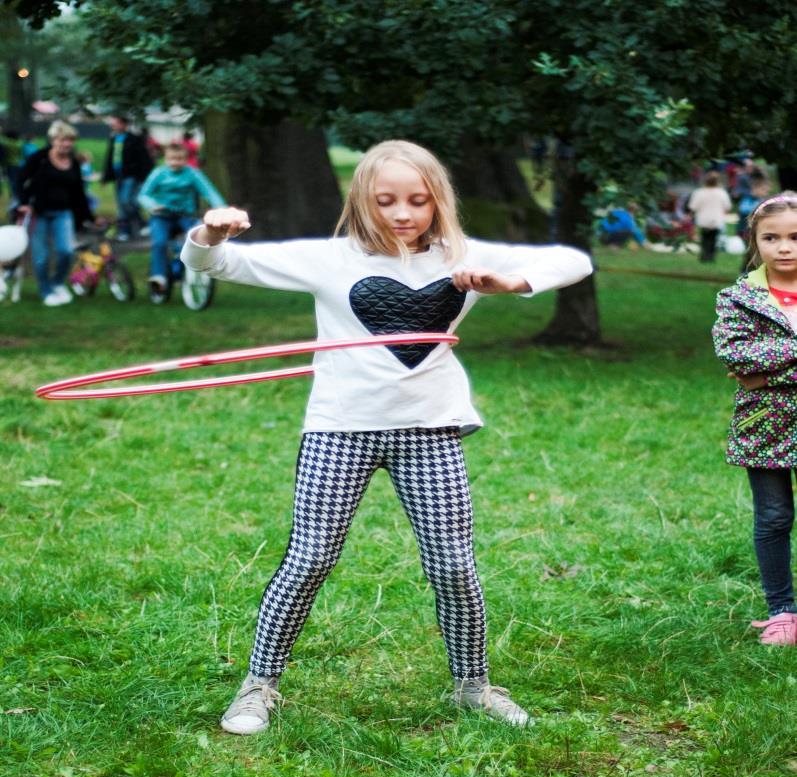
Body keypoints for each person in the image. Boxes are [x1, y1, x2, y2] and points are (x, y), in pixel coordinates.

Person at [180, 139, 593, 735]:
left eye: (419, 201)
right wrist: (212, 233)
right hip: (339, 430)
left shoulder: (463, 257)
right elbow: (210, 265)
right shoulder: (332, 259)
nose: (403, 213)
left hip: (428, 431)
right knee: (310, 558)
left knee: (452, 564)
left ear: (438, 202)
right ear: (362, 201)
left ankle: (473, 686)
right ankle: (258, 685)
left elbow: (572, 259)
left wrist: (509, 282)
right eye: (387, 200)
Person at [712, 192, 797, 646]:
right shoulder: (738, 297)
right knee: (773, 516)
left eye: (795, 237)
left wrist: (769, 371)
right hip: (765, 425)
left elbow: (755, 366)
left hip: (768, 398)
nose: (784, 247)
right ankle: (782, 612)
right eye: (772, 237)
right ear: (755, 241)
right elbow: (735, 353)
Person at [17, 120, 94, 306]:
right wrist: (23, 203)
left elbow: (79, 193)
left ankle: (58, 283)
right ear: (53, 139)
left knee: (66, 251)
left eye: (70, 140)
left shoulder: (73, 162)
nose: (66, 144)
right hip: (39, 212)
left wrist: (89, 217)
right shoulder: (39, 158)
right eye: (62, 140)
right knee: (41, 255)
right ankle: (46, 291)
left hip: (64, 213)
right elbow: (20, 181)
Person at [137, 142, 225, 293]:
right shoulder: (158, 173)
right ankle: (159, 277)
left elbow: (209, 191)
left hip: (186, 215)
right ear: (165, 159)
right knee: (159, 243)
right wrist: (153, 206)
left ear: (186, 159)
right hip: (162, 216)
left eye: (179, 159)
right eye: (171, 159)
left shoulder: (193, 174)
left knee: (197, 240)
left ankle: (184, 267)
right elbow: (143, 195)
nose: (175, 162)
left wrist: (221, 209)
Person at [101, 115, 153, 241]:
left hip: (130, 176)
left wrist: (142, 176)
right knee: (121, 205)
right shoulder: (113, 138)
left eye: (117, 122)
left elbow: (144, 159)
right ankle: (125, 231)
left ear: (124, 124)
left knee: (126, 201)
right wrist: (106, 177)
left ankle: (142, 222)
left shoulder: (134, 139)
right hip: (118, 176)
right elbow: (110, 158)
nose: (113, 124)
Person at [689, 171, 732, 262]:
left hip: (703, 219)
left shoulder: (699, 192)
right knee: (713, 239)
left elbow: (693, 207)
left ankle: (704, 256)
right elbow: (727, 207)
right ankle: (711, 257)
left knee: (705, 238)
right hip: (716, 219)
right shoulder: (722, 193)